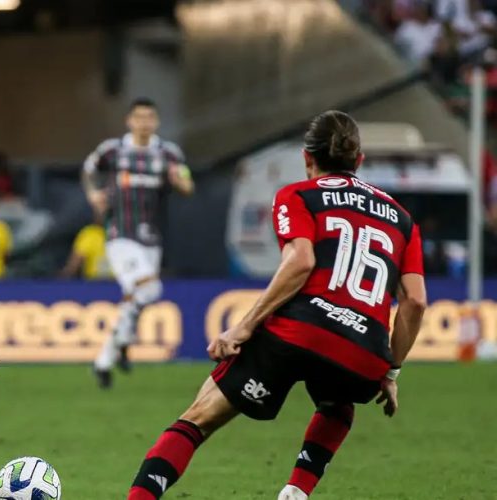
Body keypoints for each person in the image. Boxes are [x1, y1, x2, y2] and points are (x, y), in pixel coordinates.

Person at [126, 111, 428, 500]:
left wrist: (245, 325)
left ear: (307, 158)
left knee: (198, 419)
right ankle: (296, 491)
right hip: (364, 351)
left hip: (299, 331)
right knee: (339, 397)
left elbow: (301, 261)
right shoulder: (403, 220)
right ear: (360, 161)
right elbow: (415, 302)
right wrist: (391, 369)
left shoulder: (298, 196)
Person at [81, 97, 194, 388]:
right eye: (139, 117)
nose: (144, 122)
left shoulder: (168, 154)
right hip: (120, 235)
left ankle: (117, 348)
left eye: (149, 117)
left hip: (151, 238)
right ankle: (107, 357)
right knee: (149, 288)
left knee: (138, 297)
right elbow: (88, 170)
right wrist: (93, 194)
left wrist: (180, 182)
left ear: (156, 122)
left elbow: (187, 184)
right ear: (129, 121)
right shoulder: (113, 150)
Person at [60, 213, 111, 280]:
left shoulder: (90, 234)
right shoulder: (90, 234)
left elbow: (73, 266)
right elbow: (75, 263)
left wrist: (59, 279)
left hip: (99, 284)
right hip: (97, 283)